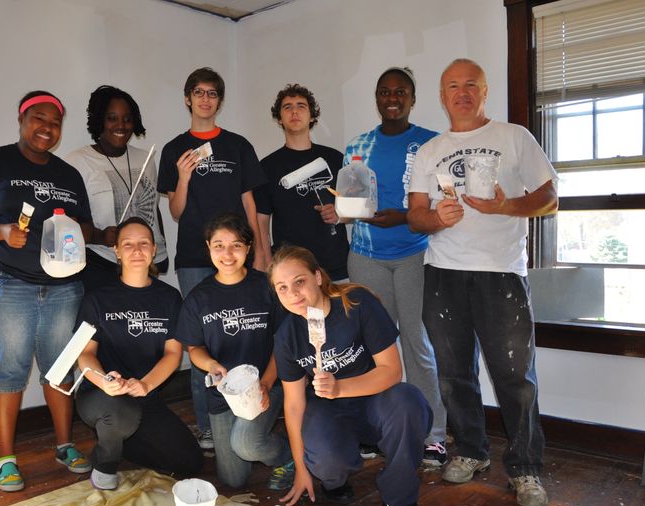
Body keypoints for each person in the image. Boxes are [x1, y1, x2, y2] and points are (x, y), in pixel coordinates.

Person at [408, 58, 558, 506]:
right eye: (452, 85)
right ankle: (472, 452)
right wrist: (436, 218)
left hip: (501, 275)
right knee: (454, 375)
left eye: (471, 84)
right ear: (442, 94)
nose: (462, 92)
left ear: (485, 90)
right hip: (443, 274)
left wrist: (504, 207)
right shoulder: (431, 150)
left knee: (515, 377)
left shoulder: (514, 137)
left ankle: (527, 469)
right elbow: (416, 214)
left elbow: (550, 199)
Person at [0, 90, 93, 492]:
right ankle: (6, 458)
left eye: (55, 122)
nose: (47, 128)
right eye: (39, 119)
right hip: (6, 282)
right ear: (22, 119)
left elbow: (82, 227)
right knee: (9, 369)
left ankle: (65, 445)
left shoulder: (68, 174)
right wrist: (0, 232)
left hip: (63, 287)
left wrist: (99, 234)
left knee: (59, 368)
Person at [269, 246, 432, 506]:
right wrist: (301, 469)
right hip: (328, 410)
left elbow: (392, 370)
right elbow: (293, 405)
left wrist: (340, 386)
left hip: (375, 398)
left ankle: (400, 500)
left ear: (317, 277)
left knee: (410, 402)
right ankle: (334, 480)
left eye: (299, 281)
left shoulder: (357, 304)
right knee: (327, 461)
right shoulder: (286, 336)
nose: (293, 293)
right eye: (282, 288)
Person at [157, 67, 268, 450]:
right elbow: (175, 211)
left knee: (245, 331)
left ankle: (252, 410)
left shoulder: (238, 145)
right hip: (193, 257)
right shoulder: (174, 149)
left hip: (239, 255)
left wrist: (260, 253)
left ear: (220, 100)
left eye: (213, 93)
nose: (206, 99)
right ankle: (206, 424)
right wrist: (184, 177)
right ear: (187, 98)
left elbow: (250, 204)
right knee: (198, 342)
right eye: (198, 93)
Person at [343, 66, 448, 466]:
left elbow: (441, 203)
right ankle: (374, 429)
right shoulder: (358, 145)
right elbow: (353, 204)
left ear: (412, 98)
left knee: (417, 345)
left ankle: (434, 434)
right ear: (376, 98)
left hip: (415, 256)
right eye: (385, 91)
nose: (392, 98)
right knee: (373, 348)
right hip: (366, 255)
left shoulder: (430, 144)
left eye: (400, 91)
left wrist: (403, 216)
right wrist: (346, 212)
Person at [75, 217, 203, 490]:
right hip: (101, 395)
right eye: (128, 244)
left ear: (154, 249)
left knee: (190, 462)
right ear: (117, 251)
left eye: (144, 243)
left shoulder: (169, 298)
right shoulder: (97, 298)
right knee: (121, 413)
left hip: (145, 396)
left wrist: (146, 384)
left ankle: (117, 441)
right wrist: (104, 382)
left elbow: (172, 353)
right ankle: (105, 464)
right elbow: (85, 354)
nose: (137, 250)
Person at [174, 212, 294, 490]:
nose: (227, 254)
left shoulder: (266, 287)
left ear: (249, 248)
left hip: (266, 384)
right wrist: (211, 364)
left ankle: (289, 455)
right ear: (208, 248)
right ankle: (259, 441)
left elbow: (284, 341)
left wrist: (266, 382)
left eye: (236, 245)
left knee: (247, 445)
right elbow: (194, 348)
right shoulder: (198, 297)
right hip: (223, 393)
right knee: (232, 479)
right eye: (219, 245)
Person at [65, 85, 168, 292]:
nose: (121, 125)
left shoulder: (145, 159)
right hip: (101, 263)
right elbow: (69, 222)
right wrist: (100, 236)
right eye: (112, 118)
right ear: (99, 121)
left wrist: (160, 248)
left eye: (128, 119)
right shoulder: (77, 162)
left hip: (143, 261)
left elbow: (153, 208)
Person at [256, 84, 349, 281]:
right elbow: (261, 222)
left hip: (336, 266)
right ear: (279, 118)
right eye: (287, 107)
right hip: (290, 269)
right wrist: (264, 261)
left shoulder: (334, 159)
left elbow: (357, 209)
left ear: (312, 116)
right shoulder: (267, 167)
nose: (294, 111)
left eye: (301, 106)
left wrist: (339, 214)